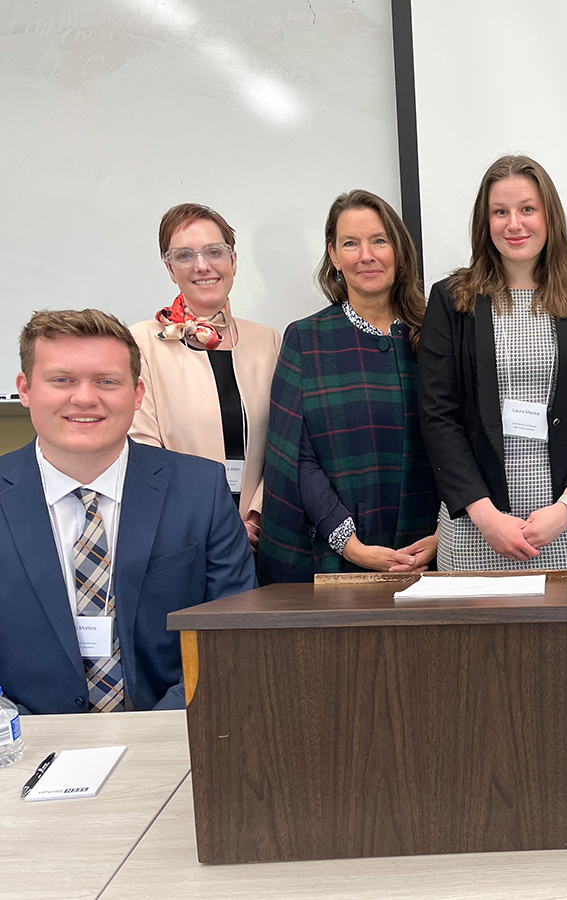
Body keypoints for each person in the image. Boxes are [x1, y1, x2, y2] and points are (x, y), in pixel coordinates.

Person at [0, 309, 256, 714]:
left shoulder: (200, 490)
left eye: (106, 381)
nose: (84, 397)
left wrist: (152, 737)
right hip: (22, 750)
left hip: (174, 737)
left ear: (137, 394)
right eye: (62, 380)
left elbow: (233, 634)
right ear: (26, 389)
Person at [418, 155, 567, 576]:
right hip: (477, 530)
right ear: (485, 221)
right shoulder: (450, 300)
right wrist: (483, 514)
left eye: (527, 209)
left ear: (550, 216)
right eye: (500, 212)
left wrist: (566, 509)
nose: (514, 224)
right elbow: (438, 416)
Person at [257, 190, 439, 583]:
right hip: (339, 563)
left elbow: (466, 441)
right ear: (334, 256)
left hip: (436, 556)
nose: (366, 255)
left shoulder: (440, 334)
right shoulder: (306, 339)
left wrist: (443, 533)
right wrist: (349, 544)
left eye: (379, 240)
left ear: (399, 251)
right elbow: (296, 457)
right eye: (350, 244)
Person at [130, 203, 282, 550]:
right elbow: (145, 451)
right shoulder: (143, 342)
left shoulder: (267, 340)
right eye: (184, 256)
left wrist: (256, 516)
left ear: (233, 260)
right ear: (170, 268)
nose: (202, 266)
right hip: (181, 536)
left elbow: (283, 444)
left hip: (262, 536)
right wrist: (219, 526)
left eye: (214, 252)